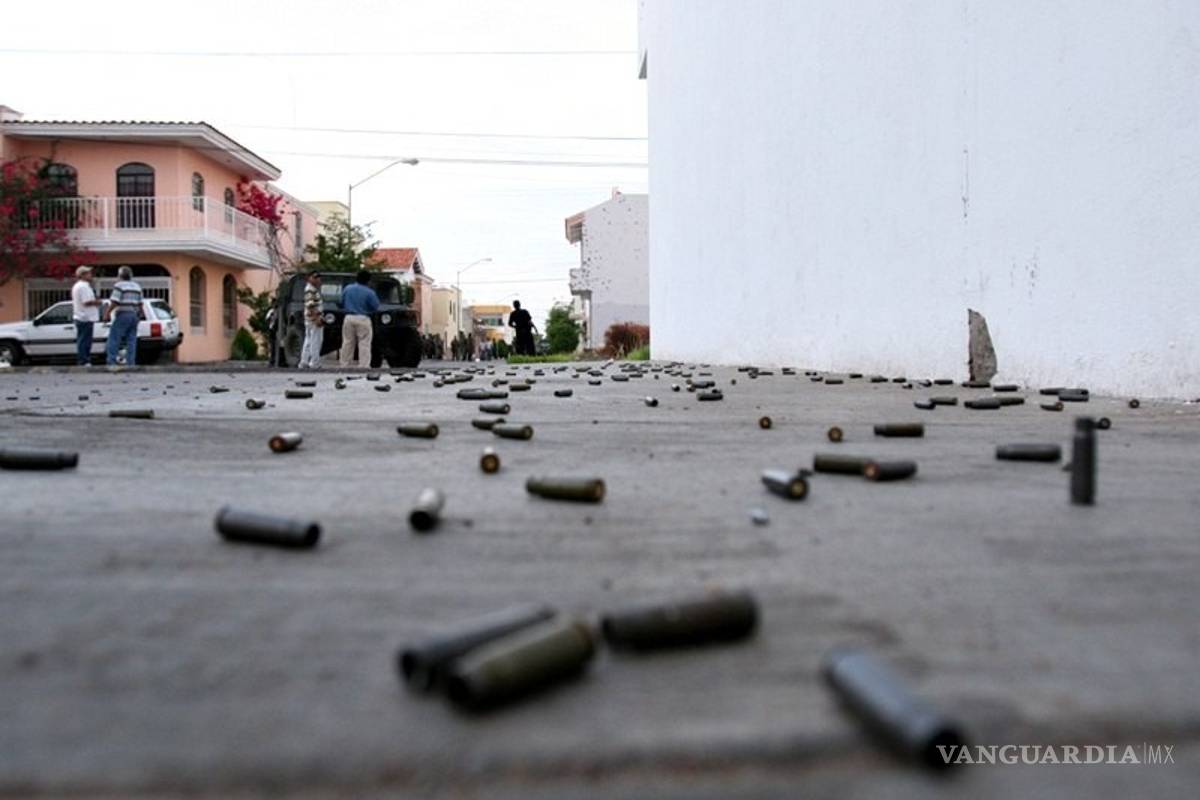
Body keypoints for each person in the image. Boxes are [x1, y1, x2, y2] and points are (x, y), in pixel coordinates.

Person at [339, 270, 379, 368]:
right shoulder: (370, 292)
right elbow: (375, 306)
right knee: (364, 343)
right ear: (368, 281)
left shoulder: (347, 288)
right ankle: (363, 366)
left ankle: (345, 364)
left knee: (347, 342)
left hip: (348, 317)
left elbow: (341, 302)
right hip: (363, 318)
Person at [105, 266, 143, 367]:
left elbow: (115, 301)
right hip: (134, 315)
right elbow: (140, 303)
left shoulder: (119, 285)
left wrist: (107, 313)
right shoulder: (137, 286)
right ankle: (131, 363)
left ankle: (111, 361)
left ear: (120, 275)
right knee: (131, 340)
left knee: (114, 338)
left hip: (123, 313)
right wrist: (141, 314)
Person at [70, 265, 101, 366]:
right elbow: (86, 302)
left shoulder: (79, 286)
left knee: (83, 339)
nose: (91, 275)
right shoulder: (83, 286)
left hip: (81, 316)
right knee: (85, 341)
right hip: (85, 317)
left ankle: (83, 359)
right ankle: (84, 360)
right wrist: (97, 302)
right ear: (82, 275)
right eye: (88, 273)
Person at [299, 272, 324, 369]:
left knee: (308, 340)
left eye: (319, 277)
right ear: (309, 278)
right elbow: (310, 305)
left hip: (309, 319)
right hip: (313, 319)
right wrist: (317, 318)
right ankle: (314, 362)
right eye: (315, 277)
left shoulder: (311, 289)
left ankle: (304, 361)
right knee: (316, 340)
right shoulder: (310, 290)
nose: (318, 279)